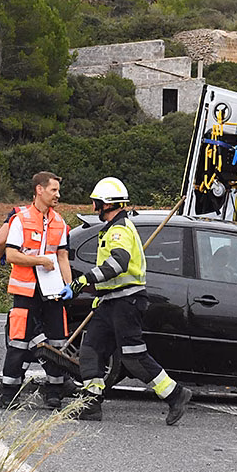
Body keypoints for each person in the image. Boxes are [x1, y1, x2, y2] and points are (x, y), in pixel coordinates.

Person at [69, 177, 192, 425]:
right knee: (91, 350)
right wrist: (100, 293)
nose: (93, 206)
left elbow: (119, 263)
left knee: (133, 357)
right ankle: (91, 403)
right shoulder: (112, 228)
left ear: (106, 204)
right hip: (110, 302)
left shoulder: (119, 230)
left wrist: (85, 279)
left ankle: (175, 394)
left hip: (126, 303)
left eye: (96, 202)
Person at [0, 171, 73, 409]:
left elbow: (63, 257)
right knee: (19, 343)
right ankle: (9, 393)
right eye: (53, 190)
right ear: (39, 190)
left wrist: (69, 285)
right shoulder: (20, 219)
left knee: (57, 342)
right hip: (26, 292)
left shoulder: (59, 222)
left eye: (58, 190)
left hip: (53, 292)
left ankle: (54, 392)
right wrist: (39, 261)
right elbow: (11, 255)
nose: (58, 195)